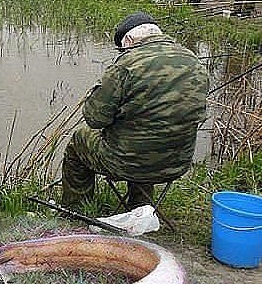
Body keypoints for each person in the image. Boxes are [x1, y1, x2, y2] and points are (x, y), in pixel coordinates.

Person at [60, 12, 209, 210]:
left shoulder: (126, 65)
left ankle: (76, 210)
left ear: (129, 40)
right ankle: (140, 206)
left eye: (122, 49)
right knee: (146, 133)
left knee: (79, 140)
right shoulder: (194, 61)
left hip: (127, 164)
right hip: (177, 164)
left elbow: (94, 119)